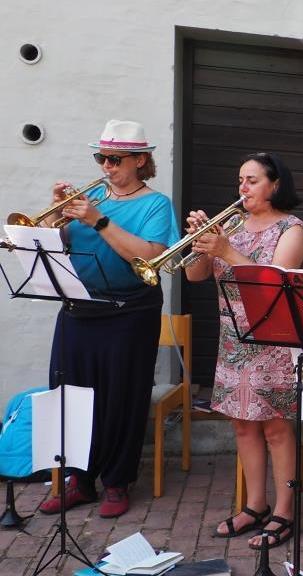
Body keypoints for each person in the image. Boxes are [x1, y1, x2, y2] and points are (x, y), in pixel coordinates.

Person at [37, 119, 179, 518]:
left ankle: (117, 480)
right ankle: (78, 480)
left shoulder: (155, 204)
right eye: (101, 157)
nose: (106, 166)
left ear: (140, 161)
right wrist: (51, 221)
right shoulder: (93, 196)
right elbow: (54, 246)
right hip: (79, 310)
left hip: (129, 312)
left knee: (121, 395)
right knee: (70, 394)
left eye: (114, 159)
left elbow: (149, 256)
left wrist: (97, 220)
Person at [184, 152, 303, 550]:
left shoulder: (293, 229)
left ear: (275, 184)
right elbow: (194, 275)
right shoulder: (232, 227)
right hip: (233, 338)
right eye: (240, 179)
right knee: (242, 424)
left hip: (275, 341)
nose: (243, 187)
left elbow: (272, 283)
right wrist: (201, 245)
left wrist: (224, 249)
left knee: (275, 427)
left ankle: (285, 511)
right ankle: (255, 506)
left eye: (253, 180)